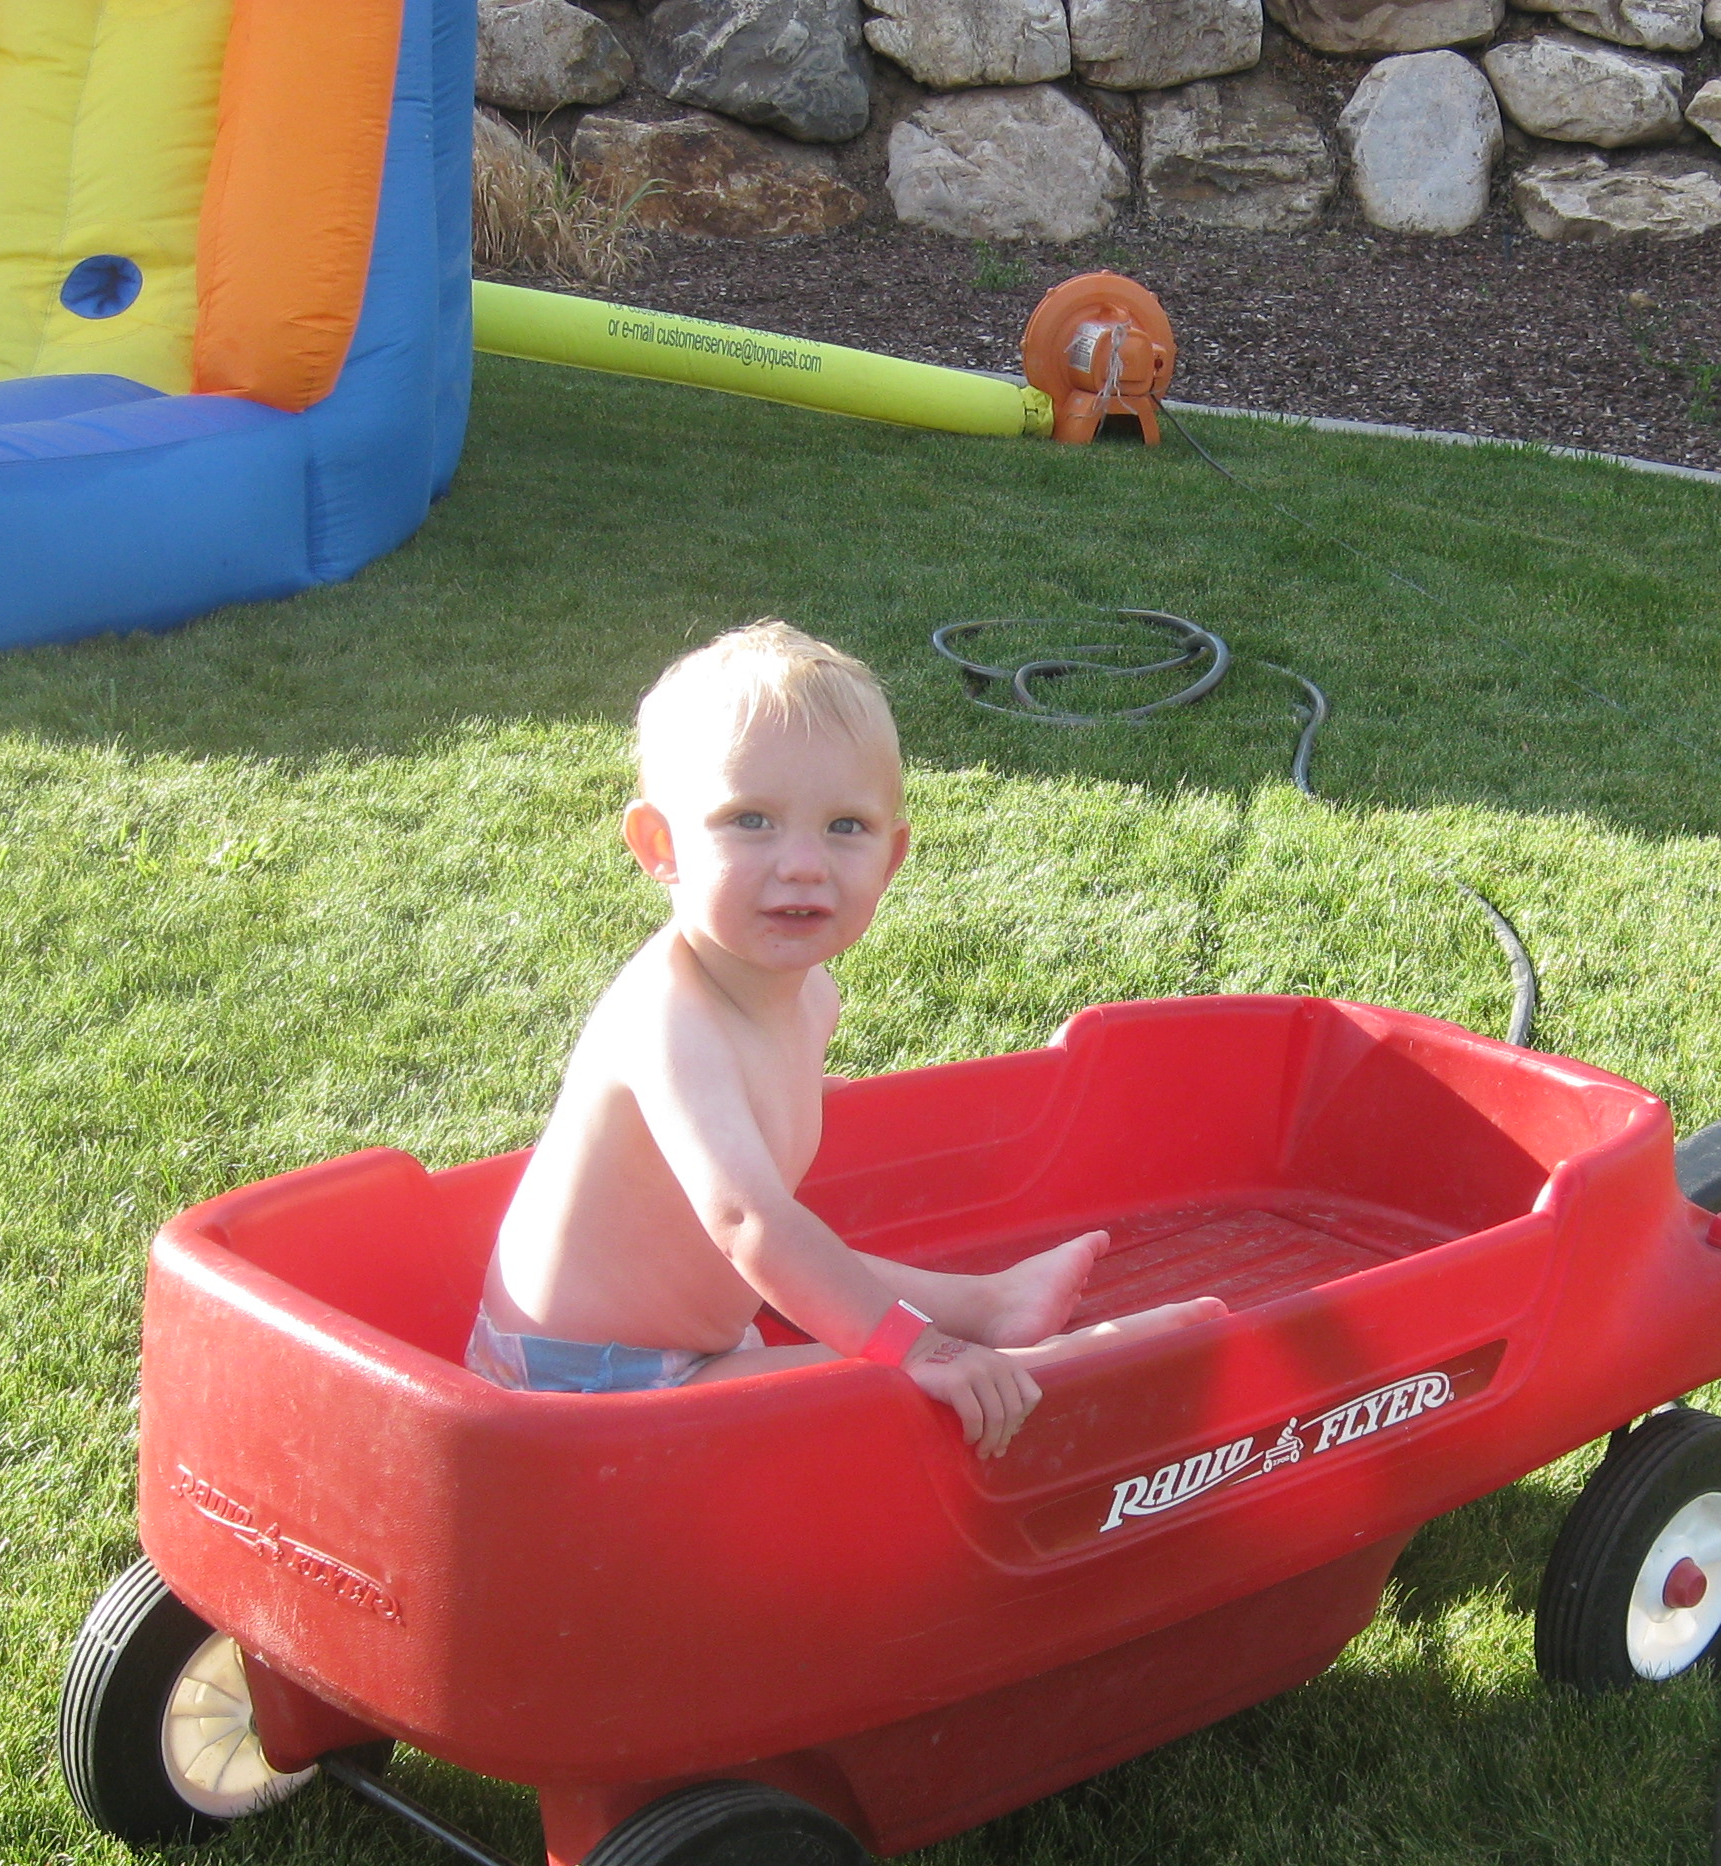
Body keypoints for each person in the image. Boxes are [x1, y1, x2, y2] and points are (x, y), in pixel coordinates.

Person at [471, 620, 1215, 1453]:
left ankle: (986, 1304)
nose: (802, 864)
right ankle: (1049, 1361)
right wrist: (918, 1351)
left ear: (891, 858)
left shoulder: (807, 993)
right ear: (660, 845)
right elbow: (747, 1220)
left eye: (845, 827)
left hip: (702, 1328)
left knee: (816, 1265)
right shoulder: (668, 1014)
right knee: (882, 1382)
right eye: (750, 820)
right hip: (582, 1388)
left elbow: (758, 1140)